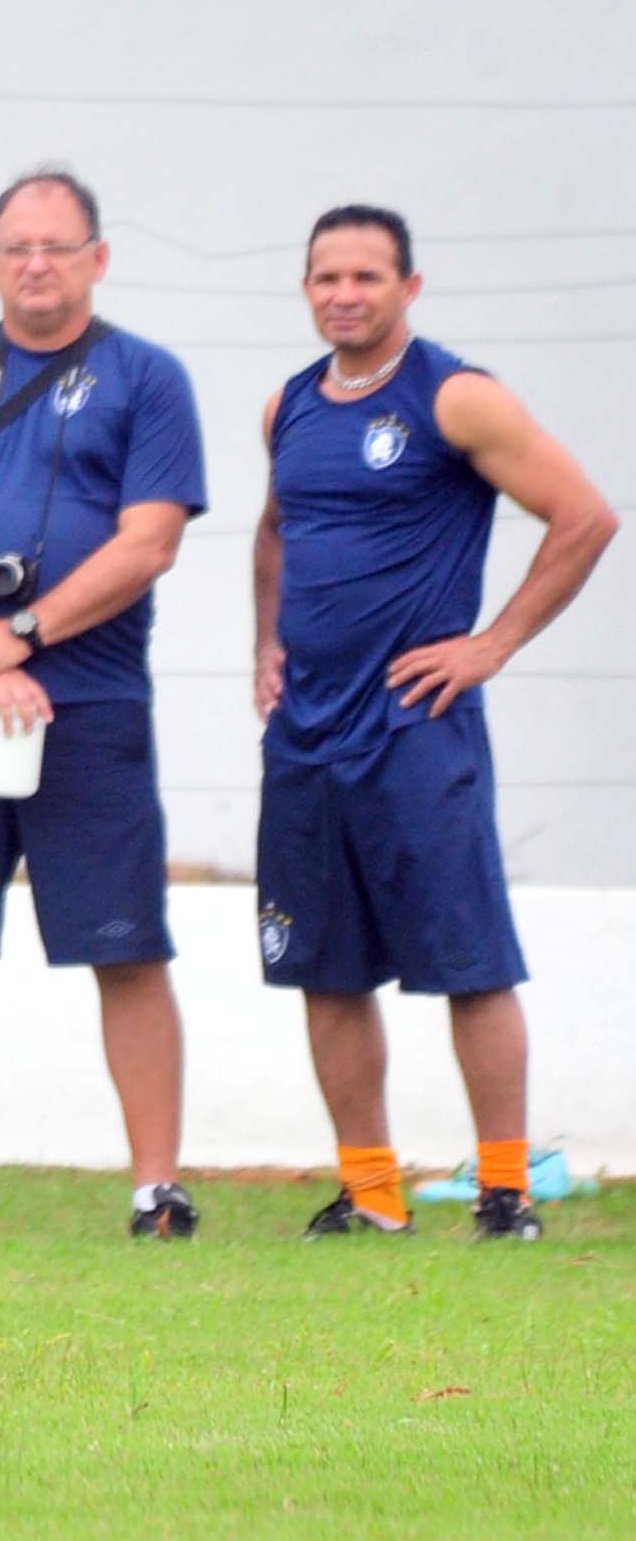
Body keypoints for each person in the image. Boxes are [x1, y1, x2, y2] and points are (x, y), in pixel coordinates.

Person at [254, 206, 617, 1241]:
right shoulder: (288, 405)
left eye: (366, 276)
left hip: (417, 725)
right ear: (306, 288)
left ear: (409, 287)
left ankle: (505, 1191)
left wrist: (490, 644)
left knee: (468, 960)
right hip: (306, 733)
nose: (344, 294)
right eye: (326, 277)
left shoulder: (455, 396)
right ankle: (372, 1194)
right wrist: (264, 643)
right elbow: (276, 531)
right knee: (324, 967)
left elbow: (585, 516)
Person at [0, 166, 207, 1237]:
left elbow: (149, 541)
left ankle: (156, 1189)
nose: (37, 264)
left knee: (124, 944)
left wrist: (22, 632)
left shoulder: (147, 378)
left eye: (58, 246)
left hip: (90, 704)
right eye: (18, 247)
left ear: (97, 259)